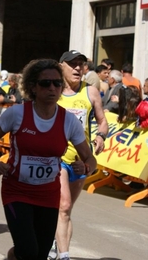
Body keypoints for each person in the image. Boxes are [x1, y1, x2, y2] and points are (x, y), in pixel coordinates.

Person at [0, 59, 97, 260]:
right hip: (17, 191)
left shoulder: (68, 121)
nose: (52, 88)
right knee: (28, 250)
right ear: (33, 87)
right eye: (45, 83)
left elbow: (90, 157)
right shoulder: (17, 114)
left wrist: (86, 166)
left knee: (40, 254)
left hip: (48, 195)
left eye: (57, 83)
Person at [48, 50, 108, 260]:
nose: (77, 68)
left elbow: (102, 120)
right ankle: (64, 256)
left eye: (80, 65)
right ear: (61, 65)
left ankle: (55, 241)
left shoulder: (90, 92)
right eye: (72, 64)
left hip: (81, 159)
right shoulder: (53, 90)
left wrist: (100, 136)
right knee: (63, 205)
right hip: (58, 158)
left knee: (66, 210)